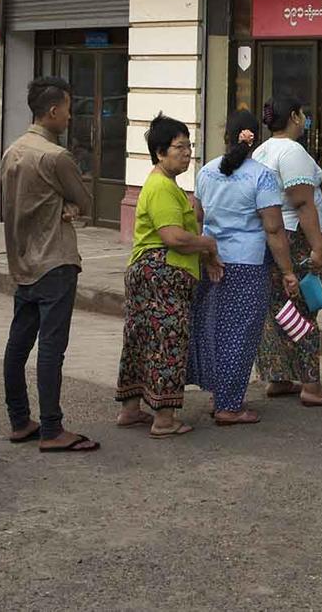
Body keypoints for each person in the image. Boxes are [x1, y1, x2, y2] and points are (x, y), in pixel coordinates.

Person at [0, 77, 98, 453]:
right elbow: (84, 201)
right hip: (54, 260)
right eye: (69, 108)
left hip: (22, 259)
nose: (71, 116)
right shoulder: (55, 156)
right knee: (51, 348)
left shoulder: (13, 151)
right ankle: (53, 429)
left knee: (17, 344)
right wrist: (69, 208)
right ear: (54, 111)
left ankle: (20, 419)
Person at [188, 110, 297, 426]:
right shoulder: (262, 176)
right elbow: (274, 229)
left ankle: (219, 394)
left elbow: (199, 216)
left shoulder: (206, 172)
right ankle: (229, 406)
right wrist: (288, 270)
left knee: (216, 331)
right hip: (247, 265)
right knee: (241, 334)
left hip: (213, 262)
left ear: (227, 138)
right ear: (253, 140)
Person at [116, 115, 222, 437]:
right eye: (179, 147)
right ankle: (164, 419)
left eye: (189, 145)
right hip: (162, 274)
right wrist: (208, 243)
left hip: (149, 272)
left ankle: (131, 409)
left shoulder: (165, 184)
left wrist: (207, 256)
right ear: (160, 152)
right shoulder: (162, 186)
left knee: (140, 341)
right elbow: (173, 237)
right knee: (168, 344)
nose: (187, 152)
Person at [252, 95, 322, 407]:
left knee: (279, 309)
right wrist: (318, 247)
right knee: (304, 307)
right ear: (293, 116)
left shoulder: (262, 151)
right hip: (298, 238)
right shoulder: (292, 152)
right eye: (303, 114)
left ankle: (278, 377)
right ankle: (311, 384)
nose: (305, 119)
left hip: (274, 239)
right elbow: (302, 202)